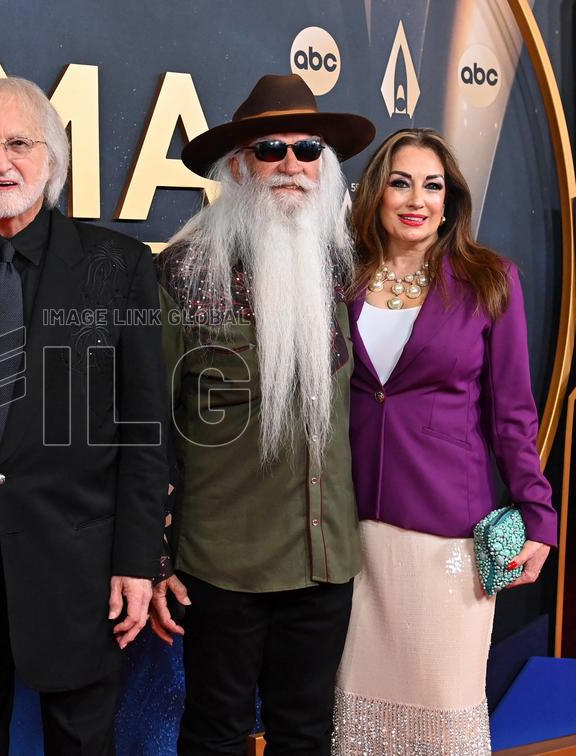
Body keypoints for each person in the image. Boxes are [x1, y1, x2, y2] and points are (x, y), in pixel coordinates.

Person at [0, 76, 168, 755]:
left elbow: (144, 427)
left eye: (19, 142)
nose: (1, 162)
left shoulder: (121, 265)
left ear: (52, 156)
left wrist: (139, 561)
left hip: (80, 573)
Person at [150, 74, 376, 754]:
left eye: (307, 149)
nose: (290, 164)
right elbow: (147, 426)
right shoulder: (185, 274)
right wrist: (155, 556)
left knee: (305, 732)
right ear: (239, 166)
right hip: (222, 563)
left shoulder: (350, 269)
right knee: (216, 730)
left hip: (325, 558)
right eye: (270, 147)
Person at [332, 128, 558, 753]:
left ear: (450, 199)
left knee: (442, 717)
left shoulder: (489, 280)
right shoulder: (341, 278)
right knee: (360, 721)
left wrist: (540, 520)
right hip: (353, 537)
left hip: (447, 540)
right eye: (400, 182)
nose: (416, 199)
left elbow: (513, 415)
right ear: (376, 193)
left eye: (432, 186)